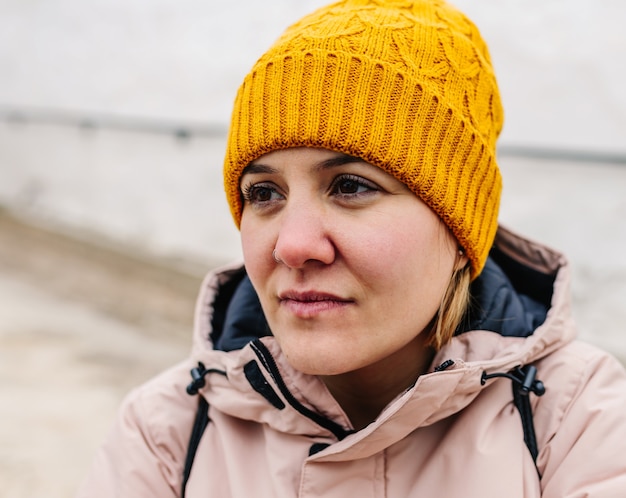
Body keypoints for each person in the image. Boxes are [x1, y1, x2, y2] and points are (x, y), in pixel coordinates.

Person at [78, 0, 626, 496]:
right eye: (263, 193)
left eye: (351, 186)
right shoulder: (166, 432)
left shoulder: (576, 420)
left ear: (461, 235)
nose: (293, 246)